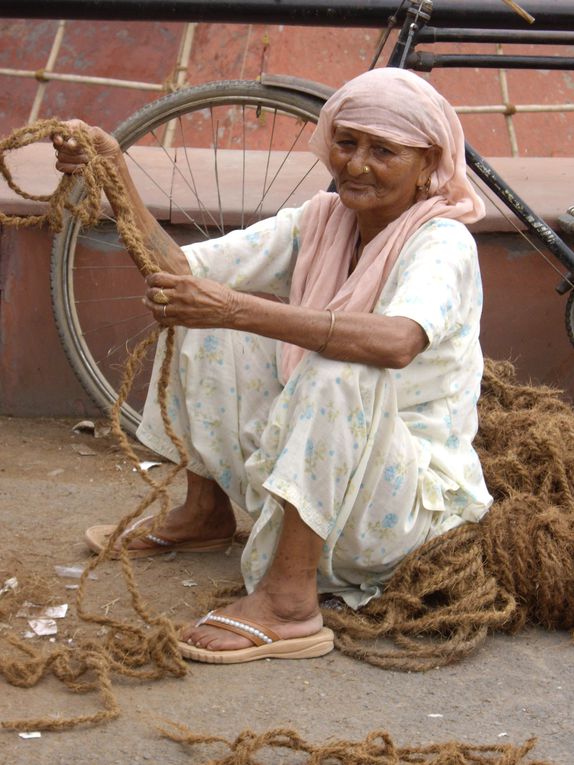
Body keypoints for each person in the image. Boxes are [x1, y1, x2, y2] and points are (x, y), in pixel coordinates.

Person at [53, 67, 492, 664]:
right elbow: (181, 274)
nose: (357, 165)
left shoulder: (443, 242)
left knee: (342, 364)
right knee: (199, 312)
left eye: (383, 150)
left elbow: (395, 343)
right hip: (334, 474)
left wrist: (239, 308)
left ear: (428, 165)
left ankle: (290, 603)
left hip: (406, 510)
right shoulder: (320, 220)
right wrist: (115, 174)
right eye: (346, 142)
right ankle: (205, 513)